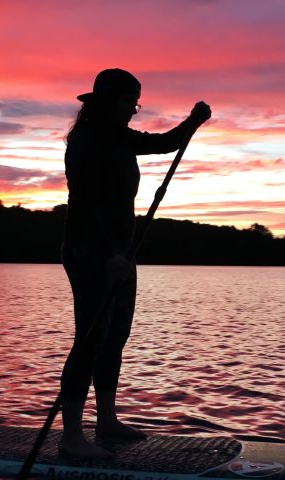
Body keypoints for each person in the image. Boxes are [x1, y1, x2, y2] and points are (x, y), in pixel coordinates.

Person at [60, 68, 211, 459]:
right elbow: (86, 205)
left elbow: (164, 144)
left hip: (122, 253)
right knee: (90, 338)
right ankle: (72, 438)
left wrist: (193, 122)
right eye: (130, 102)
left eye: (136, 104)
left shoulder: (118, 137)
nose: (133, 110)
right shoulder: (88, 141)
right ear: (110, 100)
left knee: (115, 338)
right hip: (91, 250)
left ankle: (106, 420)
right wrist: (108, 255)